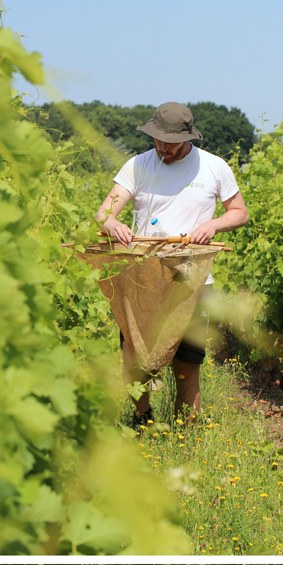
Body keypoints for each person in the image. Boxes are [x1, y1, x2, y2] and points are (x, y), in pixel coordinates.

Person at [96, 102, 249, 426]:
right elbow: (104, 213)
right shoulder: (136, 166)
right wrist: (112, 224)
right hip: (143, 280)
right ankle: (143, 417)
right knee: (133, 359)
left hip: (191, 281)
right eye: (157, 139)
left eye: (170, 141)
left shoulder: (213, 167)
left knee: (187, 365)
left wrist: (214, 225)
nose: (163, 147)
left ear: (188, 137)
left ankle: (185, 433)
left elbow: (240, 212)